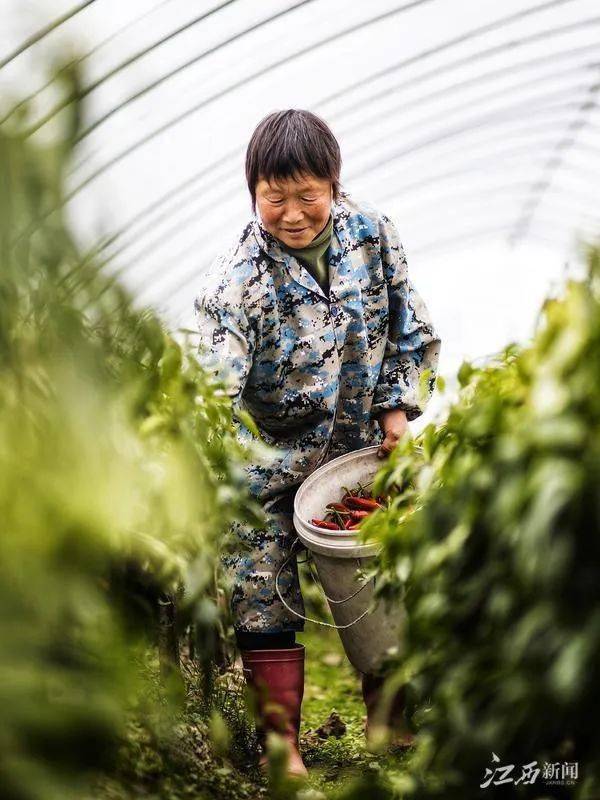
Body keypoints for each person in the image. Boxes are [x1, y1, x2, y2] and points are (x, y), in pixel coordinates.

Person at [194, 109, 441, 778]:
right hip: (271, 463)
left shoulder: (372, 235)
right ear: (253, 194)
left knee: (375, 583)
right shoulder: (238, 278)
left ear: (334, 183)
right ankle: (285, 751)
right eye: (275, 198)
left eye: (308, 194)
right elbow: (217, 375)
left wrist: (397, 406)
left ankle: (390, 719)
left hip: (355, 451)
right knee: (260, 587)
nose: (293, 213)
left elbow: (409, 325)